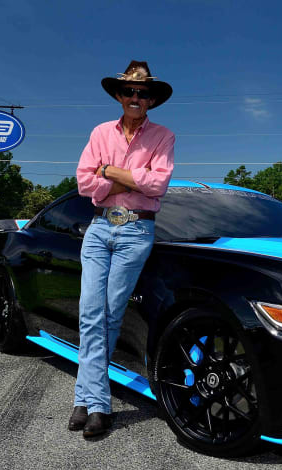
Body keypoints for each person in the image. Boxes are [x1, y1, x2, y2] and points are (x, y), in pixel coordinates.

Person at [70, 60, 175, 438]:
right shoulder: (100, 132)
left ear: (151, 101)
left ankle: (85, 400)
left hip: (136, 231)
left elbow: (157, 184)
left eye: (142, 93)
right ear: (118, 95)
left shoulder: (162, 136)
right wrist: (128, 180)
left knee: (111, 314)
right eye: (129, 91)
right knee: (89, 313)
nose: (135, 97)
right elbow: (84, 183)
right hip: (99, 228)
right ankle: (97, 403)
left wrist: (110, 172)